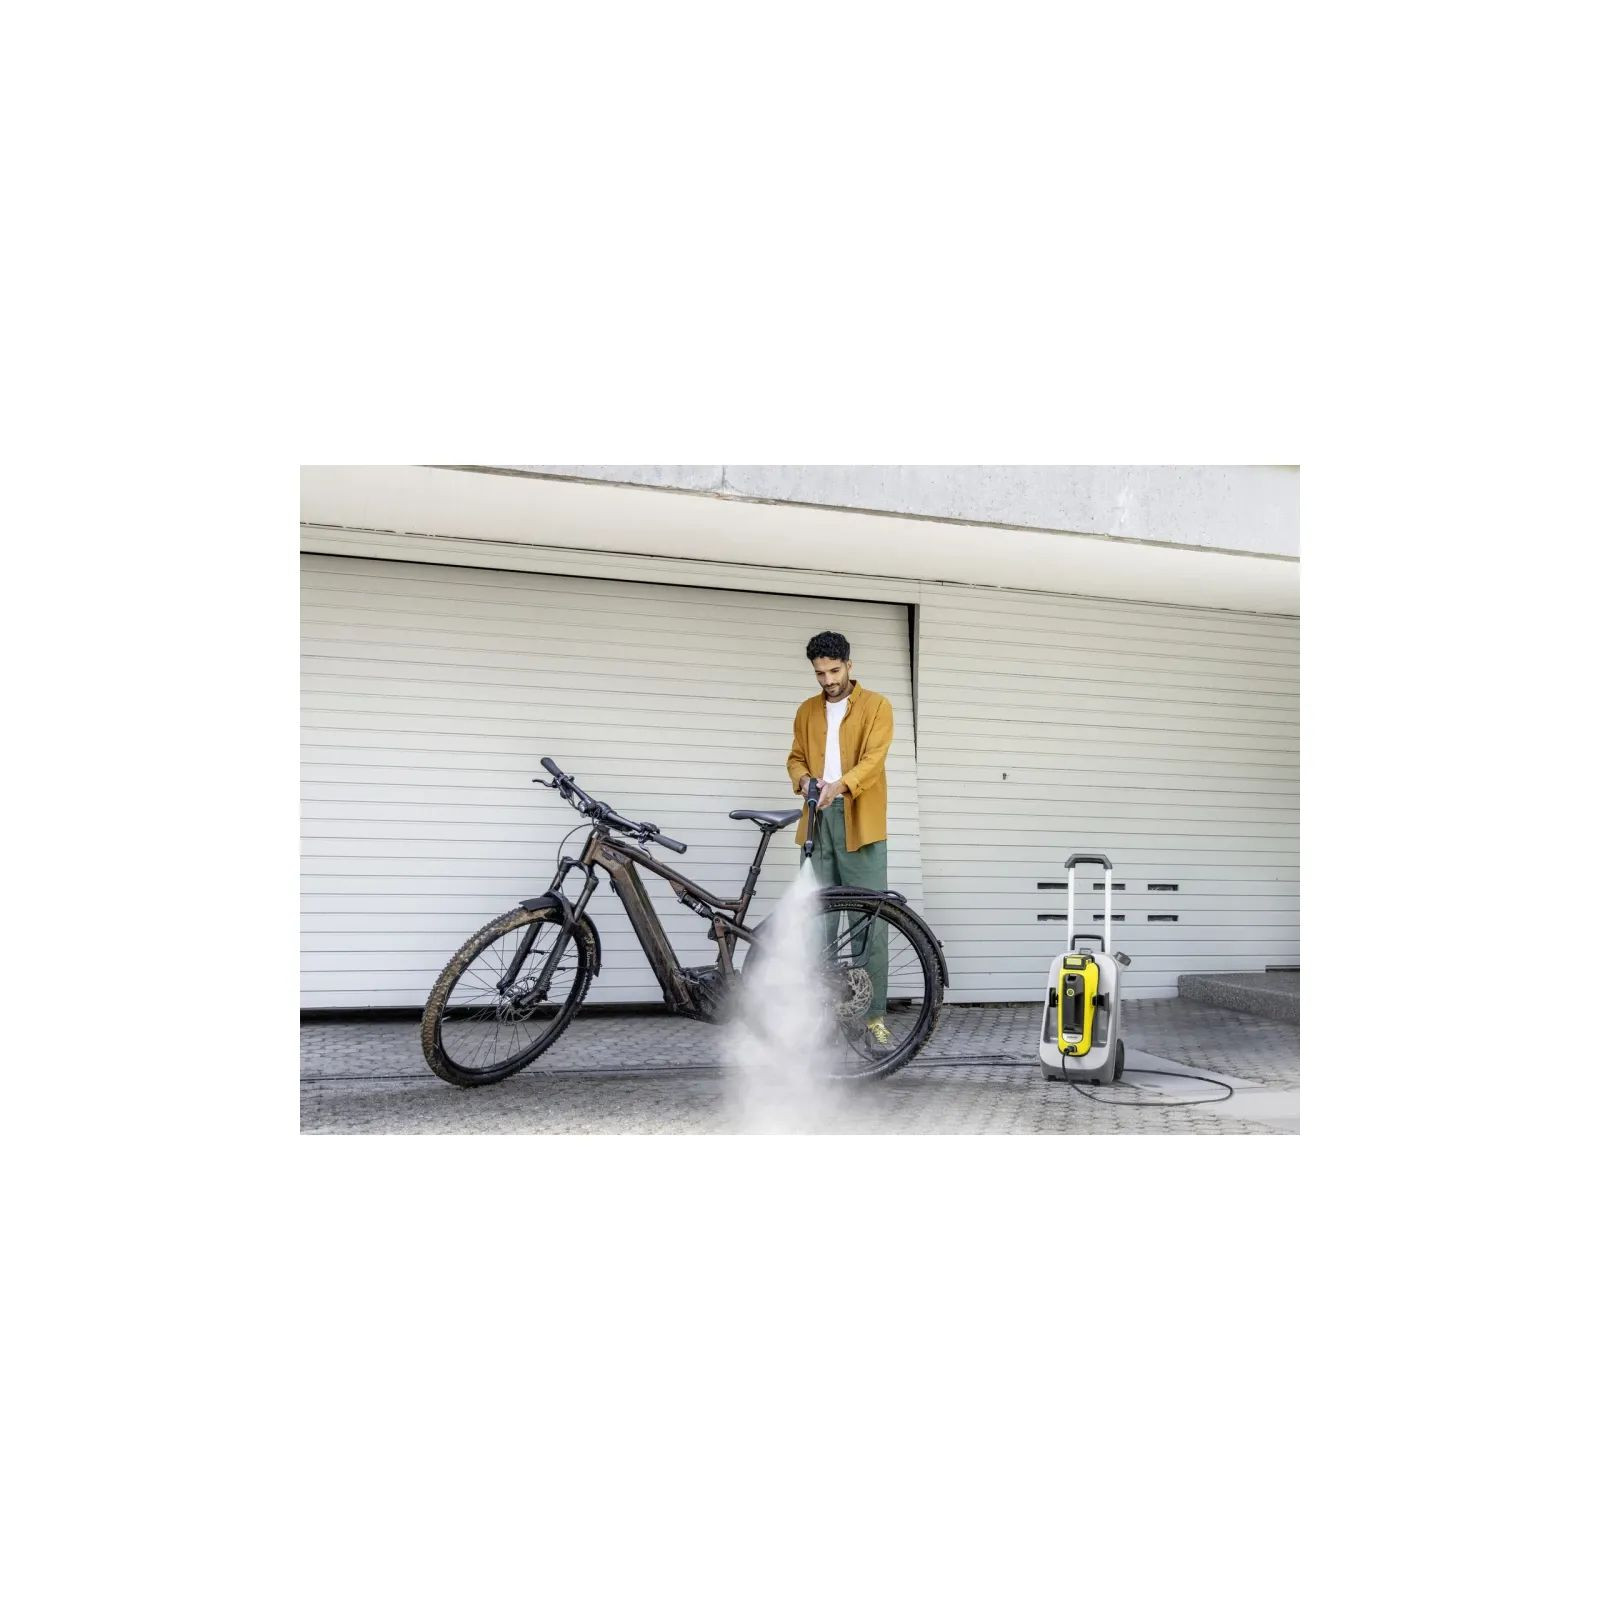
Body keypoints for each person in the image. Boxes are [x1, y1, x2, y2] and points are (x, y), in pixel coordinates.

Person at [785, 630, 895, 1050]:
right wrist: (803, 780)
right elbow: (796, 757)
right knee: (817, 923)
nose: (828, 680)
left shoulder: (877, 706)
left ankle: (873, 1018)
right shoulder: (806, 711)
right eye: (820, 673)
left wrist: (841, 785)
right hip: (817, 822)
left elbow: (873, 760)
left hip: (861, 823)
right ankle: (821, 1018)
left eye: (834, 670)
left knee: (869, 923)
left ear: (849, 664)